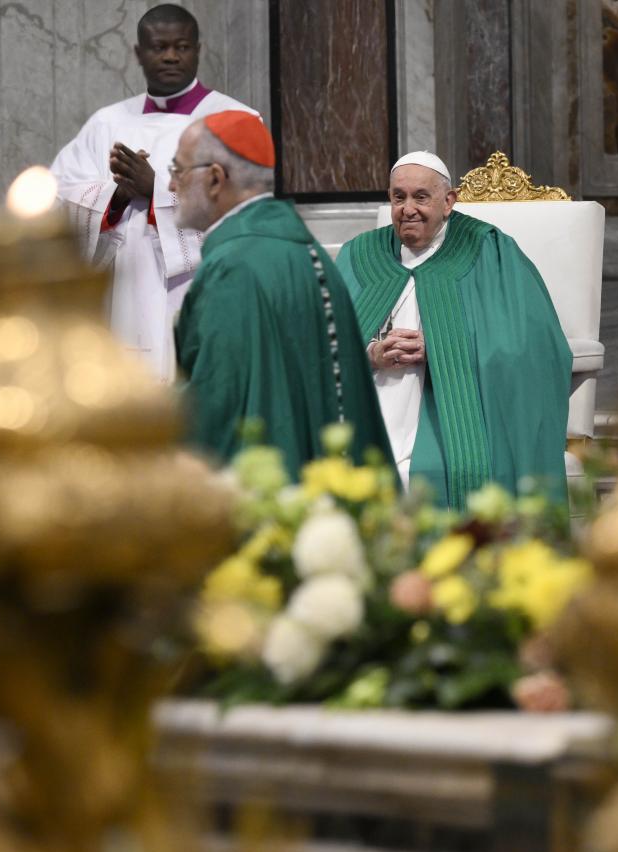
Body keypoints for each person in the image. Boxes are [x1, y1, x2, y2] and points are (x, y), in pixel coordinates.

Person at [335, 152, 572, 509]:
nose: (408, 208)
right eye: (398, 197)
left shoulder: (490, 251)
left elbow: (533, 345)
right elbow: (323, 343)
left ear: (449, 201)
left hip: (458, 411)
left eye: (420, 197)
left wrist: (443, 348)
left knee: (436, 472)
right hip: (372, 403)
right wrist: (370, 353)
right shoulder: (360, 254)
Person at [170, 111, 393, 470]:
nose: (171, 185)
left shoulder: (233, 267)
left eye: (178, 170)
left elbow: (216, 404)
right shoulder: (306, 251)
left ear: (214, 179)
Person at [50, 4, 258, 382]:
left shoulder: (236, 120)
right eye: (159, 47)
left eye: (181, 46)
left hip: (198, 294)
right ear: (138, 53)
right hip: (122, 296)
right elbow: (58, 199)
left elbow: (247, 214)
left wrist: (157, 191)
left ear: (199, 49)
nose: (170, 56)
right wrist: (115, 198)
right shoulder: (107, 122)